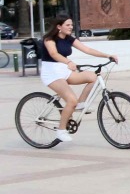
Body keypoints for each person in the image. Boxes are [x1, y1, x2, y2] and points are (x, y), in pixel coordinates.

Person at [35, 15, 119, 144]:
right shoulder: (49, 39)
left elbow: (87, 49)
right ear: (59, 27)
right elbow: (54, 54)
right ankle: (61, 130)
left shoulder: (69, 39)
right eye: (68, 25)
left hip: (64, 70)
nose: (71, 27)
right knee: (71, 100)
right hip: (51, 73)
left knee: (94, 76)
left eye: (71, 25)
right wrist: (68, 61)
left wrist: (108, 56)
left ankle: (81, 103)